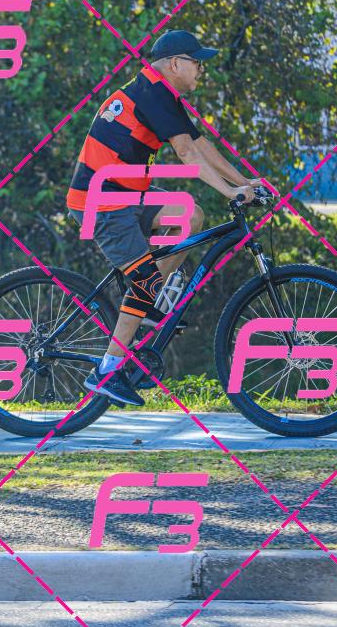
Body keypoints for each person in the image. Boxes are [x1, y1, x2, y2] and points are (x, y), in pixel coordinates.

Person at [66, 29, 262, 406]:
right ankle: (106, 370)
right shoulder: (152, 93)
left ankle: (149, 302)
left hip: (126, 193)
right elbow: (187, 154)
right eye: (196, 63)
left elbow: (201, 145)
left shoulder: (161, 93)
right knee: (144, 281)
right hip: (101, 201)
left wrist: (244, 181)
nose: (201, 70)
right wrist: (229, 192)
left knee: (191, 216)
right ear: (174, 64)